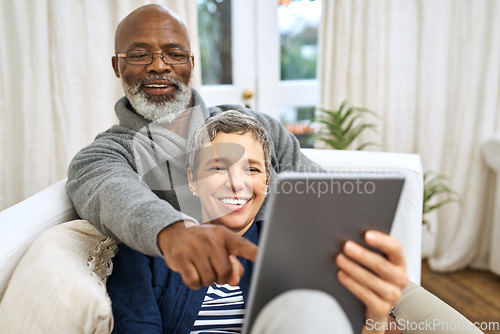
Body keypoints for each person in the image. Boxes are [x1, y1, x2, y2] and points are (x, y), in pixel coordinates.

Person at [66, 4, 484, 334]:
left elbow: (317, 195)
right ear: (117, 65)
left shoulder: (256, 125)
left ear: (191, 62)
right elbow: (112, 192)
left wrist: (370, 261)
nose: (159, 65)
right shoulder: (106, 154)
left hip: (316, 275)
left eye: (174, 54)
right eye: (140, 54)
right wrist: (175, 233)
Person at [106, 111, 408, 334]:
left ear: (268, 182)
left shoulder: (297, 250)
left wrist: (376, 319)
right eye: (218, 167)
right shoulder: (148, 249)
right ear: (193, 181)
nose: (237, 184)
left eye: (252, 170)